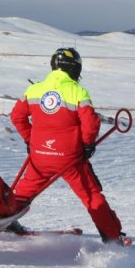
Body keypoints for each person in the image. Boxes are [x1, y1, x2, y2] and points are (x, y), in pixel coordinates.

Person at [9, 48, 126, 245]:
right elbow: (90, 123)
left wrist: (30, 139)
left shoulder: (34, 90)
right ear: (74, 68)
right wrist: (88, 144)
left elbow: (17, 117)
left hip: (40, 155)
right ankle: (112, 236)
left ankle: (6, 220)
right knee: (91, 195)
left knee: (23, 192)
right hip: (70, 158)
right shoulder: (78, 92)